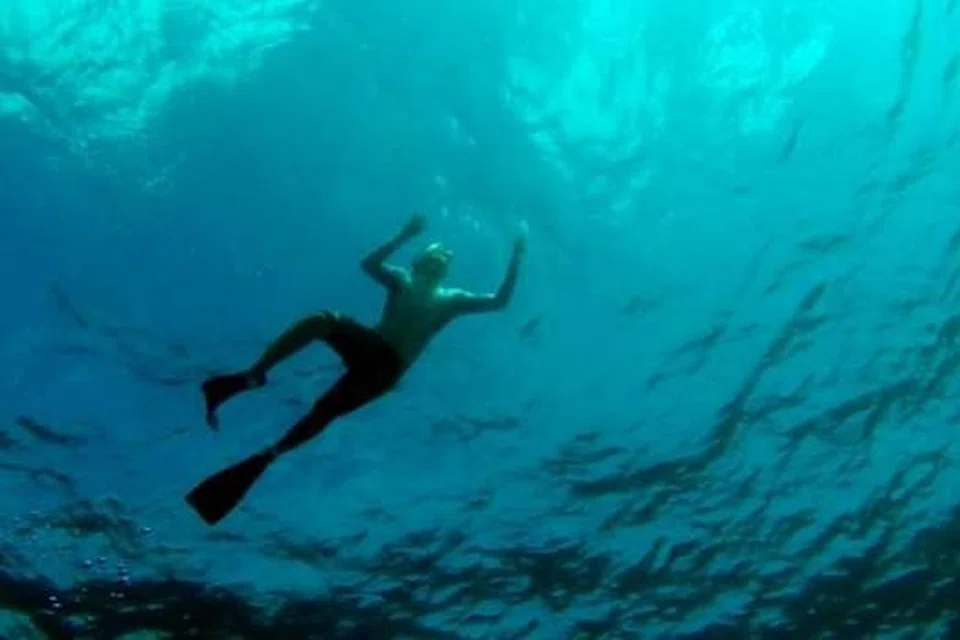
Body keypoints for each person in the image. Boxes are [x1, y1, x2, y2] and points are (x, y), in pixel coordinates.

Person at [186, 213, 526, 525]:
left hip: (387, 371)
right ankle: (254, 374)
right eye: (437, 250)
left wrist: (516, 257)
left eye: (448, 256)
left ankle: (269, 455)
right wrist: (404, 233)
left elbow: (499, 301)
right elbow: (368, 263)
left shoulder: (453, 298)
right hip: (372, 350)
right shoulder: (401, 280)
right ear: (419, 259)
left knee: (324, 411)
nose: (445, 255)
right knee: (324, 320)